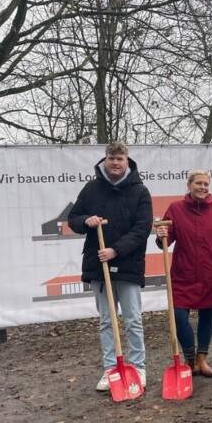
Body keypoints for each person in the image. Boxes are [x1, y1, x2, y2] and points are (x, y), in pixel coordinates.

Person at [67, 141, 153, 391]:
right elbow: (73, 219)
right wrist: (86, 220)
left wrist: (116, 250)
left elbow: (142, 228)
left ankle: (138, 367)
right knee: (106, 319)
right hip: (98, 265)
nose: (115, 162)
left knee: (133, 318)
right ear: (105, 160)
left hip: (128, 264)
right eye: (111, 157)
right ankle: (111, 368)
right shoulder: (92, 189)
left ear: (128, 161)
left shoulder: (140, 191)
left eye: (120, 158)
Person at [155, 170, 212, 378]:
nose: (203, 187)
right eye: (198, 183)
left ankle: (202, 359)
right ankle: (189, 358)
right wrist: (161, 235)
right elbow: (166, 239)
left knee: (207, 314)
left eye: (206, 184)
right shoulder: (176, 209)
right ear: (189, 185)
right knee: (179, 315)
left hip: (211, 272)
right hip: (184, 272)